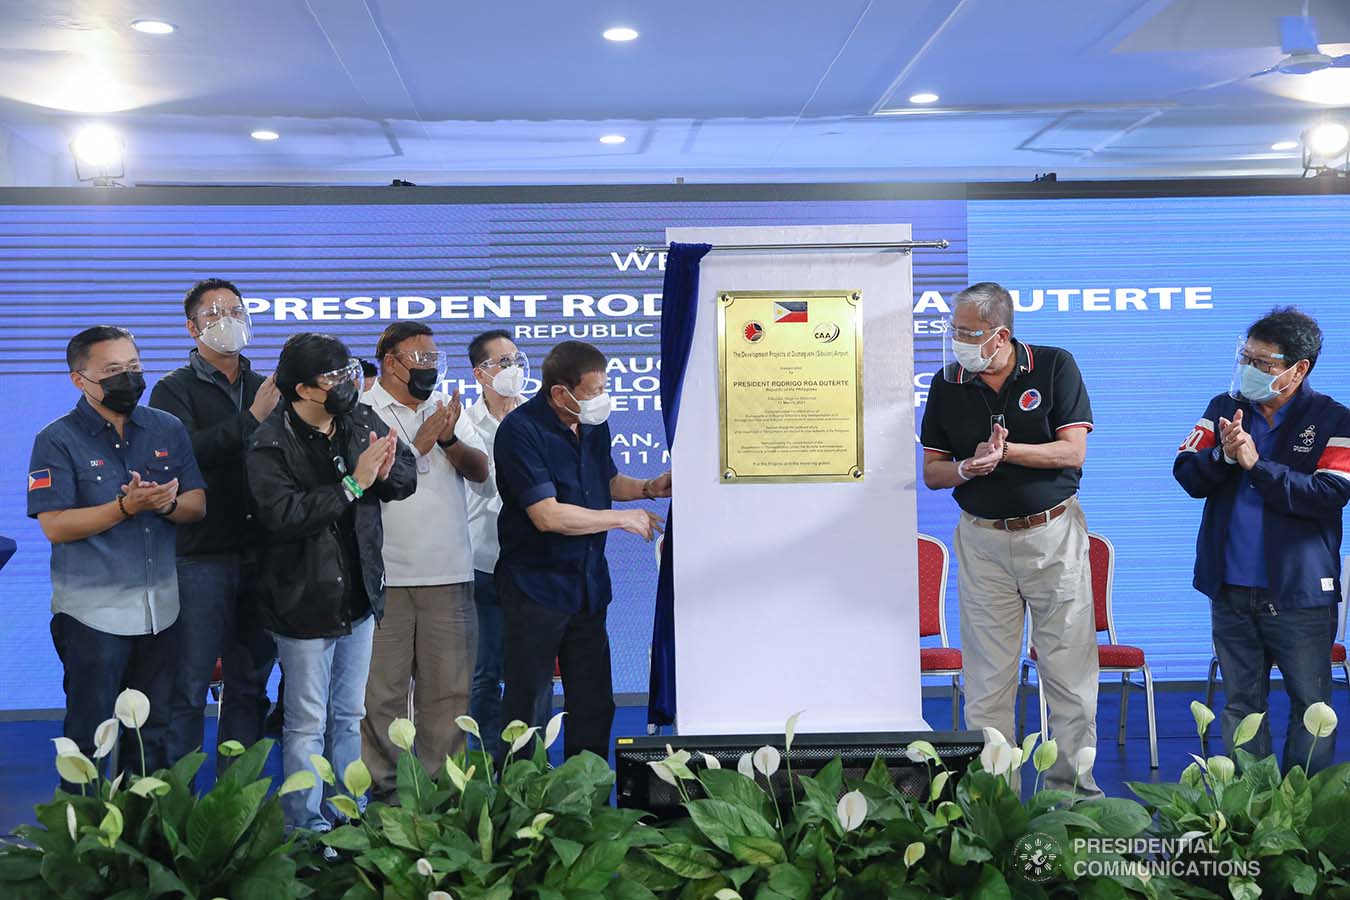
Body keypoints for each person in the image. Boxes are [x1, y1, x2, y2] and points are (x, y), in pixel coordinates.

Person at [920, 282, 1099, 795]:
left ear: (1000, 335)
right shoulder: (946, 382)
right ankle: (994, 803)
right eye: (953, 330)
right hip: (982, 543)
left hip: (1053, 536)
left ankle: (1072, 802)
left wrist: (1006, 452)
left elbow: (1071, 454)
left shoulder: (1053, 365)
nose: (958, 341)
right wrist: (966, 467)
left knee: (1069, 681)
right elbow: (933, 473)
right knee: (986, 683)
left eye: (968, 332)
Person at [246, 333, 416, 831]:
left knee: (349, 716)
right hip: (302, 601)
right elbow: (282, 516)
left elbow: (405, 477)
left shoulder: (360, 418)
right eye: (334, 377)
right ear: (303, 389)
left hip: (358, 595)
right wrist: (354, 483)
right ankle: (304, 825)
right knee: (304, 724)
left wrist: (383, 471)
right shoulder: (268, 443)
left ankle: (349, 814)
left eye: (349, 373)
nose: (348, 384)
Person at [1175, 307, 1349, 774]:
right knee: (1241, 709)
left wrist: (1257, 465)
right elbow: (1188, 474)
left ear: (1298, 369)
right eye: (1245, 357)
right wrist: (1226, 459)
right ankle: (1245, 818)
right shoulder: (1222, 407)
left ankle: (1302, 822)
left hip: (1300, 595)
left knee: (1311, 711)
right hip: (1230, 591)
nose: (1248, 370)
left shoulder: (1335, 419)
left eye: (1263, 363)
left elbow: (1329, 494)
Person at [28, 326, 206, 776]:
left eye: (134, 368)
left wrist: (166, 504)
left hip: (160, 612)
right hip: (92, 614)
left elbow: (196, 505)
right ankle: (86, 841)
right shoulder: (57, 438)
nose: (127, 378)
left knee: (153, 736)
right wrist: (125, 507)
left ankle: (142, 838)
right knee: (89, 736)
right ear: (79, 379)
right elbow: (55, 525)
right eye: (112, 371)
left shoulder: (167, 427)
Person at [494, 340, 668, 760]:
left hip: (588, 587)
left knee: (593, 703)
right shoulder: (520, 431)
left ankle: (585, 804)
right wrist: (622, 519)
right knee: (529, 708)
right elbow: (548, 516)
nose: (600, 400)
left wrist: (646, 488)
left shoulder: (592, 424)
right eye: (592, 392)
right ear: (559, 392)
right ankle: (522, 804)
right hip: (535, 589)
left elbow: (604, 483)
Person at [149, 278, 280, 773]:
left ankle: (236, 804)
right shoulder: (171, 390)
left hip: (262, 554)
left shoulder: (267, 386)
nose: (229, 319)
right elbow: (184, 456)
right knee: (189, 684)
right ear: (192, 327)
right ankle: (176, 806)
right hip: (199, 556)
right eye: (215, 312)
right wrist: (251, 419)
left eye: (237, 309)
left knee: (249, 685)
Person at [360, 322, 489, 800]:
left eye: (434, 359)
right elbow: (371, 483)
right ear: (390, 362)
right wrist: (422, 442)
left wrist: (451, 438)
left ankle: (441, 796)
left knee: (449, 694)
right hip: (385, 578)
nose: (429, 368)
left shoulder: (448, 409)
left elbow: (481, 474)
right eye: (419, 359)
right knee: (382, 697)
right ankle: (387, 798)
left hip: (450, 573)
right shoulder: (361, 411)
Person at [456, 329, 529, 759]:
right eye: (502, 362)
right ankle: (486, 762)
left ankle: (526, 763)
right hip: (484, 559)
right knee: (485, 673)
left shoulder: (538, 416)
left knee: (529, 672)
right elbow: (487, 484)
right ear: (479, 373)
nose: (513, 369)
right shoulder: (464, 422)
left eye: (517, 359)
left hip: (533, 563)